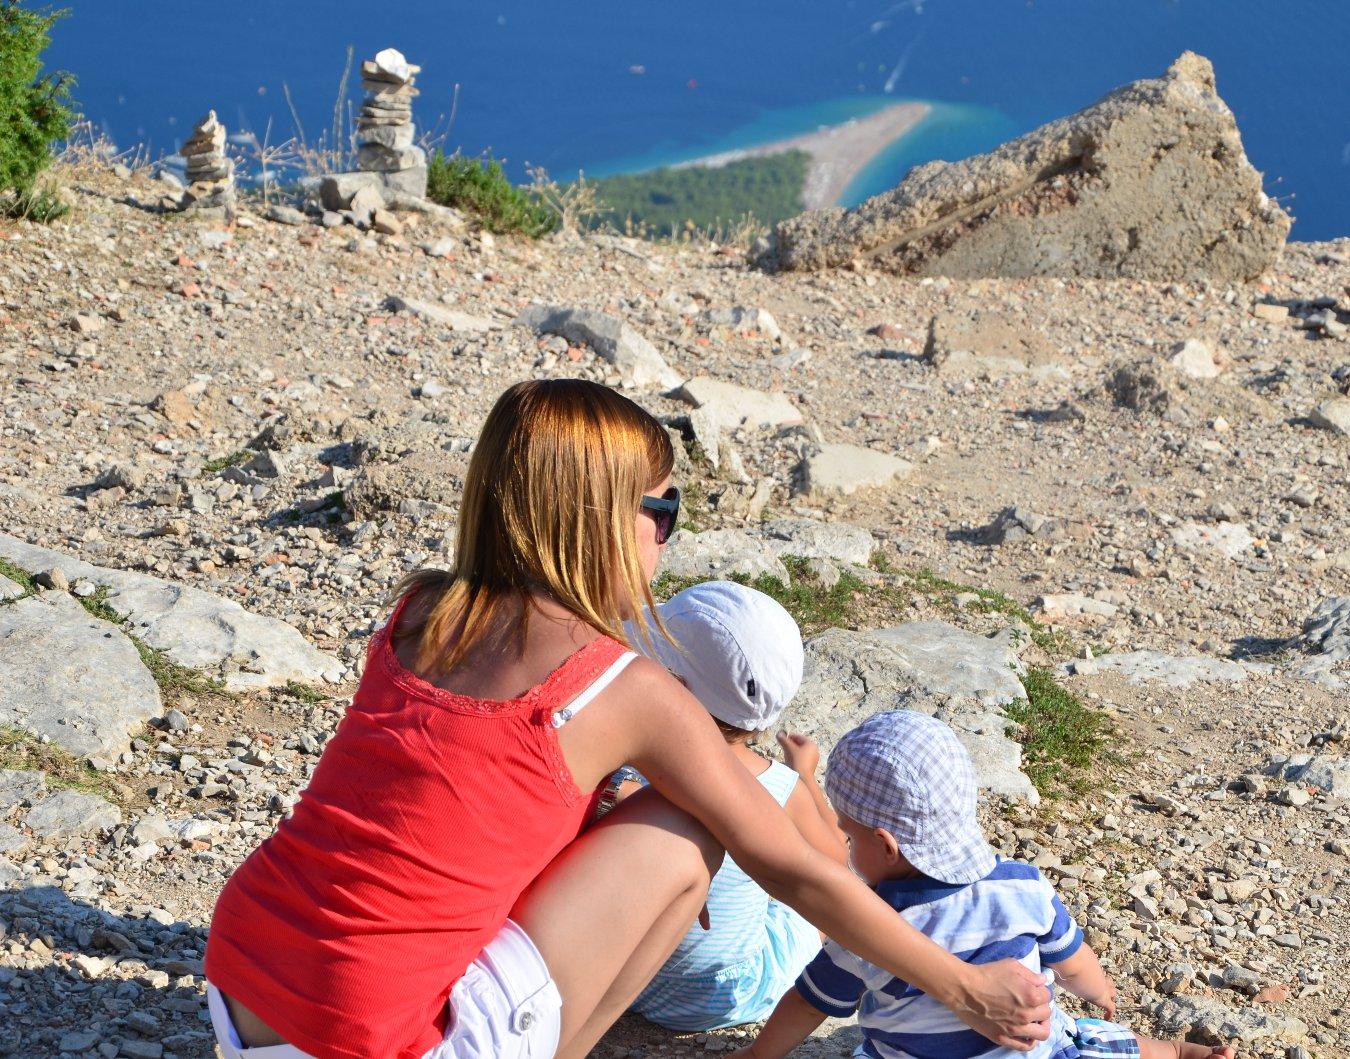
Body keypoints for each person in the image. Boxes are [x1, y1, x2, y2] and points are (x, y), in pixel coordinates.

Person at [202, 379, 1053, 1059]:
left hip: (245, 984)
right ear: (598, 518)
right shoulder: (617, 684)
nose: (666, 538)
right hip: (369, 1034)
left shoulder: (424, 610)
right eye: (663, 512)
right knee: (690, 827)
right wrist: (963, 985)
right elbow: (794, 869)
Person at [731, 711, 1235, 1059]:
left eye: (848, 832)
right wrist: (1098, 989)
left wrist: (758, 1054)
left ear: (885, 846)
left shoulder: (865, 929)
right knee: (1090, 1038)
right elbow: (1073, 961)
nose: (845, 842)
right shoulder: (1023, 887)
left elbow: (809, 1003)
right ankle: (1178, 1052)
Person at [625, 581, 848, 1031]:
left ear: (674, 684)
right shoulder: (780, 787)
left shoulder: (628, 766)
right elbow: (837, 860)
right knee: (807, 900)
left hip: (631, 982)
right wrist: (804, 776)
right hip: (726, 994)